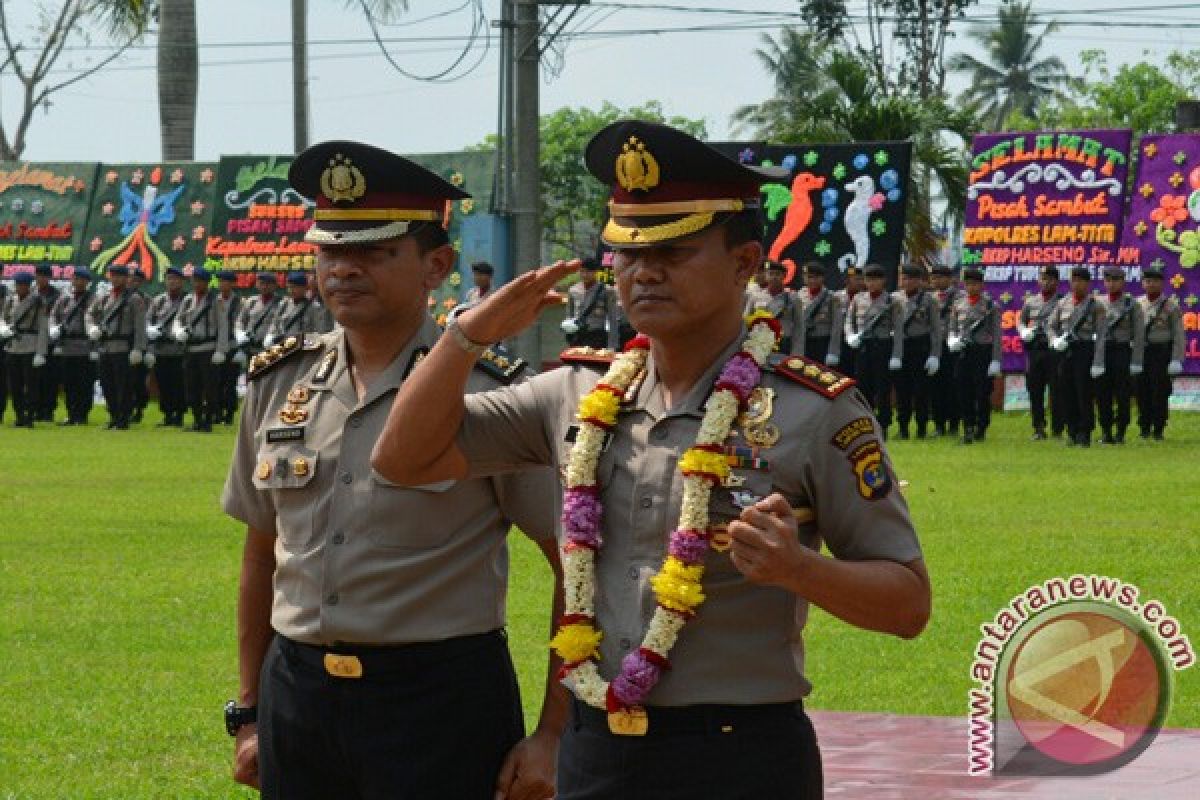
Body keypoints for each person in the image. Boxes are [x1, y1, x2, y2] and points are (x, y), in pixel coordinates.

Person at [371, 120, 930, 800]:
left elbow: (908, 605)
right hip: (598, 749)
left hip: (739, 758)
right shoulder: (574, 394)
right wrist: (465, 336)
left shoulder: (816, 412)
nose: (644, 272)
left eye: (675, 251)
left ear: (746, 261)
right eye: (628, 253)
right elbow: (402, 459)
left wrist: (799, 570)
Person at [220, 140, 564, 800]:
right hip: (298, 691)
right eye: (330, 249)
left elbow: (573, 570)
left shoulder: (488, 392)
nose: (344, 269)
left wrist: (552, 733)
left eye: (373, 251)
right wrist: (250, 712)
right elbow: (261, 557)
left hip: (439, 699)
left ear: (437, 265)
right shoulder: (278, 382)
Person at [1048, 266, 1107, 448]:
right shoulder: (1063, 303)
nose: (1077, 284)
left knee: (1084, 393)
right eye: (1074, 280)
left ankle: (1084, 432)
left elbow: (1101, 335)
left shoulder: (1095, 305)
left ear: (1088, 283)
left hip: (1084, 350)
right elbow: (1051, 325)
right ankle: (1071, 430)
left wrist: (1098, 362)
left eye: (1081, 281)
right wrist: (1054, 340)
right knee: (1066, 391)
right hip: (1066, 351)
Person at [843, 263, 903, 438]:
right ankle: (866, 423)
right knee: (863, 388)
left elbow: (898, 330)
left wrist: (896, 355)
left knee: (882, 388)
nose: (871, 283)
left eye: (875, 280)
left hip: (883, 346)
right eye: (868, 279)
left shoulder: (892, 301)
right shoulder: (858, 299)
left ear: (883, 281)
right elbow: (849, 321)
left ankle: (883, 424)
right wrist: (850, 336)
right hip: (863, 347)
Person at [945, 267, 1001, 444]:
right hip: (963, 352)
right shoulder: (958, 304)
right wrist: (951, 340)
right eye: (968, 284)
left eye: (975, 284)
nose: (971, 287)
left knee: (982, 392)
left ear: (982, 285)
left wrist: (995, 360)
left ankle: (981, 426)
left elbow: (997, 335)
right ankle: (968, 426)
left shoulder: (991, 306)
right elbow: (952, 327)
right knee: (963, 391)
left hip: (982, 352)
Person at [87, 265, 146, 430]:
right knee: (107, 384)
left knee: (124, 386)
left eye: (120, 276)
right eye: (113, 276)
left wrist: (138, 348)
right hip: (105, 346)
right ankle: (113, 415)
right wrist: (92, 327)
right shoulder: (104, 298)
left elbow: (140, 326)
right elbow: (90, 314)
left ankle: (123, 418)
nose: (116, 279)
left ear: (127, 278)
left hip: (123, 346)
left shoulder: (134, 299)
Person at [1094, 266, 1144, 445]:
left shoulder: (1132, 304)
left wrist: (1136, 361)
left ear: (1123, 282)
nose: (1111, 284)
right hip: (1101, 352)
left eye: (1116, 280)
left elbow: (1139, 335)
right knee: (1102, 393)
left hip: (1122, 352)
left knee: (1123, 394)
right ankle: (1106, 431)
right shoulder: (1097, 302)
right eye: (1108, 280)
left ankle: (1121, 431)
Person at [174, 266, 227, 432]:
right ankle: (197, 419)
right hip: (191, 348)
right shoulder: (188, 300)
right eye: (195, 280)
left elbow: (223, 326)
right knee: (192, 387)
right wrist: (178, 331)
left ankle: (208, 419)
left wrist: (221, 350)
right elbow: (178, 319)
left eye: (201, 281)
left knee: (210, 387)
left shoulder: (215, 301)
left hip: (208, 348)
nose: (197, 284)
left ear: (207, 282)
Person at [892, 264, 941, 440]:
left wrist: (935, 355)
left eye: (910, 278)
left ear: (919, 281)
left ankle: (921, 428)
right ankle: (903, 428)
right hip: (900, 348)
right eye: (903, 278)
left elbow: (936, 330)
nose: (906, 282)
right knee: (901, 390)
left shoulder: (929, 300)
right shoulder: (894, 298)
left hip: (920, 347)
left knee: (921, 391)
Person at [1137, 265, 1186, 440]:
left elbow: (1179, 335)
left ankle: (1158, 428)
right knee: (1142, 390)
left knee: (1160, 391)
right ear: (1143, 283)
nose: (1151, 285)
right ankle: (1144, 426)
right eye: (1147, 281)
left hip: (1161, 354)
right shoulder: (1138, 304)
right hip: (1142, 353)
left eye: (1155, 282)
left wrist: (1176, 360)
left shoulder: (1171, 306)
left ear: (1162, 284)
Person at [1017, 265, 1065, 440]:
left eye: (1050, 279)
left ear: (1057, 282)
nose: (1045, 282)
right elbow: (1021, 320)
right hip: (1036, 350)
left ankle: (1058, 428)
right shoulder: (1031, 302)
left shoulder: (1062, 301)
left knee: (1057, 390)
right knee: (1035, 390)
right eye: (1043, 278)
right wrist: (1023, 331)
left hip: (1054, 350)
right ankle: (1038, 427)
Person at [49, 268, 97, 426]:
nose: (78, 282)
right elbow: (53, 316)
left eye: (82, 279)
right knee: (69, 383)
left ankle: (82, 415)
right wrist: (53, 328)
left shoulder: (93, 299)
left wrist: (95, 348)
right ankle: (71, 413)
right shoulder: (64, 299)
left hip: (85, 346)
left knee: (84, 383)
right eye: (75, 278)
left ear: (87, 282)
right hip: (67, 346)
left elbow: (98, 321)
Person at [0, 271, 49, 427]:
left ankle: (30, 414)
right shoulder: (10, 300)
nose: (19, 287)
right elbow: (3, 317)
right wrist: (3, 327)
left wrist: (41, 352)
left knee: (31, 384)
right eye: (17, 284)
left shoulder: (37, 301)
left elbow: (43, 328)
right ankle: (19, 414)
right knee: (14, 384)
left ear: (28, 286)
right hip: (13, 345)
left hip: (30, 345)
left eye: (22, 285)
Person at [145, 266, 188, 427]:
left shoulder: (187, 300)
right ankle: (167, 414)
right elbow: (149, 319)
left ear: (182, 282)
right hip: (161, 349)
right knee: (164, 383)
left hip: (179, 349)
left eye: (176, 279)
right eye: (169, 279)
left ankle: (179, 415)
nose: (172, 282)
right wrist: (150, 329)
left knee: (179, 384)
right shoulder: (159, 300)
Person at [929, 264, 962, 437]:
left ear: (949, 279)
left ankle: (954, 424)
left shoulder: (960, 296)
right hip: (934, 346)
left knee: (954, 385)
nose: (936, 281)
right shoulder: (928, 298)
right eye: (933, 278)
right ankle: (939, 424)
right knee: (935, 386)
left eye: (940, 277)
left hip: (953, 346)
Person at [745, 259, 802, 353]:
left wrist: (797, 352)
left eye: (777, 274)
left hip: (783, 344)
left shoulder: (793, 298)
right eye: (771, 274)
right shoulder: (756, 297)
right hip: (760, 343)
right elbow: (745, 322)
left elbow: (799, 327)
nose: (774, 277)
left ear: (784, 276)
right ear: (766, 275)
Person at [793, 261, 843, 367]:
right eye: (809, 277)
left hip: (822, 343)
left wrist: (833, 352)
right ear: (804, 278)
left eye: (816, 277)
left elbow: (836, 327)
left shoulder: (832, 298)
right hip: (804, 342)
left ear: (822, 278)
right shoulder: (799, 295)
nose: (812, 280)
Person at [265, 272, 333, 346]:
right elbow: (275, 324)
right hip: (283, 347)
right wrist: (270, 336)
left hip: (303, 348)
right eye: (289, 287)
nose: (291, 290)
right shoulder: (284, 304)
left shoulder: (314, 307)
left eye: (294, 287)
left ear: (305, 288)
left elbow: (320, 332)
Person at [562, 258, 614, 349]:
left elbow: (612, 317)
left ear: (596, 272)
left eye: (588, 272)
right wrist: (569, 333)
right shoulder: (573, 290)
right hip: (577, 335)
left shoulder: (606, 290)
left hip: (597, 335)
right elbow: (569, 315)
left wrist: (613, 341)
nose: (584, 275)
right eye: (582, 271)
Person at [33, 264, 61, 421]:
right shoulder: (32, 294)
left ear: (49, 278)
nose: (40, 279)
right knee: (34, 377)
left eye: (44, 276)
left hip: (50, 341)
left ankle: (48, 410)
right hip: (33, 341)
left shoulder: (56, 296)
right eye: (38, 276)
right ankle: (35, 408)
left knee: (50, 378)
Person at [216, 270, 244, 424]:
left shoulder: (239, 302)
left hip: (233, 346)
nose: (222, 284)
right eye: (220, 281)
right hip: (218, 347)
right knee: (216, 381)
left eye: (225, 281)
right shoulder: (215, 301)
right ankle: (217, 411)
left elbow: (241, 324)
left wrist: (240, 349)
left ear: (232, 284)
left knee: (230, 382)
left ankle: (229, 413)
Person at [235, 272, 282, 357]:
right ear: (257, 284)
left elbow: (283, 324)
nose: (264, 287)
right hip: (251, 348)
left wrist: (274, 335)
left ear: (275, 285)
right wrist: (239, 332)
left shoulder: (282, 303)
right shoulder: (251, 301)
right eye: (262, 283)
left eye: (268, 284)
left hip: (271, 348)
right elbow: (240, 321)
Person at [833, 265, 864, 380]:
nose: (860, 282)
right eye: (857, 279)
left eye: (862, 279)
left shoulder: (866, 297)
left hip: (860, 341)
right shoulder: (836, 297)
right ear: (846, 280)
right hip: (841, 341)